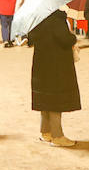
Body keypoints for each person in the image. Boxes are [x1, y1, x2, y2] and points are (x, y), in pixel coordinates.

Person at [26, 9, 80, 148]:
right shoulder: (57, 19)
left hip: (41, 65)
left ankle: (46, 132)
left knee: (45, 98)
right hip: (56, 65)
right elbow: (65, 39)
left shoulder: (37, 18)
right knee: (56, 98)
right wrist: (73, 37)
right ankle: (57, 136)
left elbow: (30, 39)